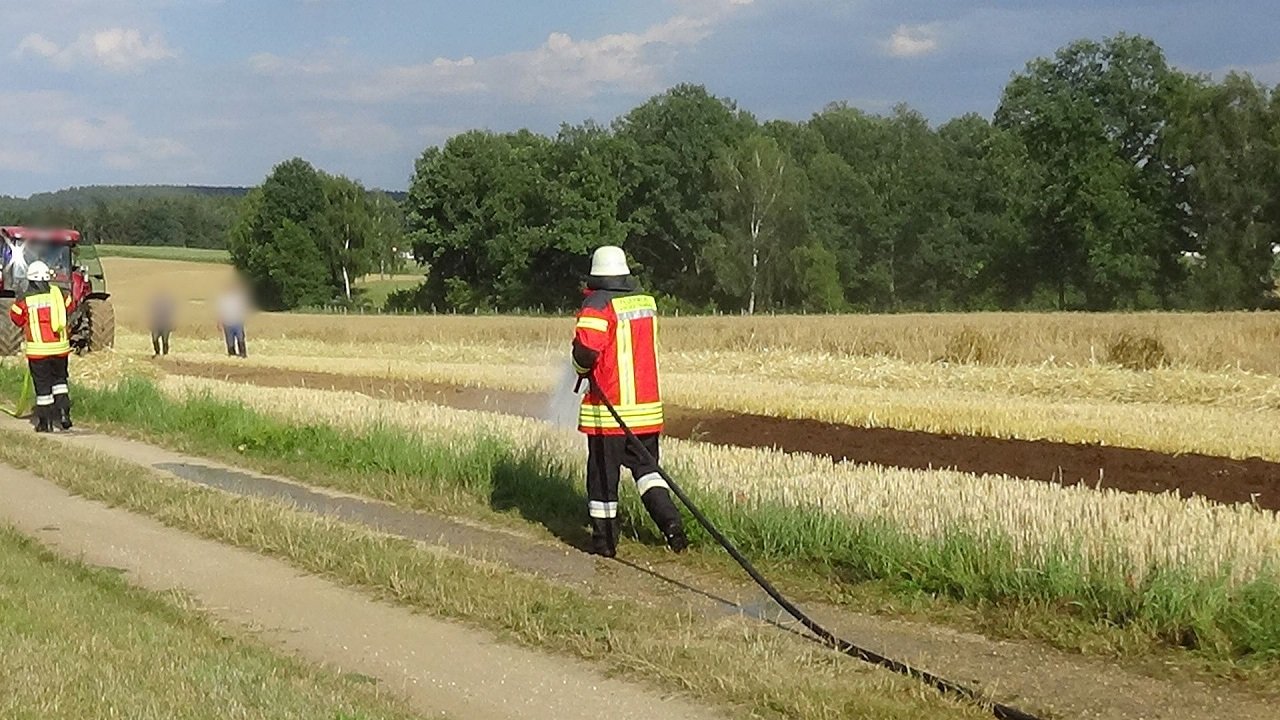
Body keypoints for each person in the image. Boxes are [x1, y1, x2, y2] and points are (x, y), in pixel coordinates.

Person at [571, 245, 687, 558]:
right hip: (646, 411)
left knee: (602, 481)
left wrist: (580, 369)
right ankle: (672, 525)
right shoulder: (645, 302)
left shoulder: (596, 304)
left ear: (596, 275)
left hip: (609, 413)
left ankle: (604, 545)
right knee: (648, 473)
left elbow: (585, 351)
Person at [8, 260, 74, 432]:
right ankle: (64, 416)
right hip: (60, 348)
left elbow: (16, 318)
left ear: (30, 279)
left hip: (39, 351)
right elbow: (70, 306)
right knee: (60, 382)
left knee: (43, 387)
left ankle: (45, 423)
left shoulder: (25, 299)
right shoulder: (59, 294)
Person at [217, 282, 248, 358]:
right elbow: (221, 311)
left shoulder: (238, 298)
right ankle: (232, 354)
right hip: (227, 322)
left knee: (240, 338)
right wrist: (220, 322)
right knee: (230, 341)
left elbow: (243, 307)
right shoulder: (223, 300)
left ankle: (243, 354)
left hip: (237, 322)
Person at [149, 290, 176, 357]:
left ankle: (165, 354)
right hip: (156, 324)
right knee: (155, 339)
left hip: (165, 325)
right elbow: (150, 313)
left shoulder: (168, 304)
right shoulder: (154, 303)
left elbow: (173, 314)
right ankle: (157, 352)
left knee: (165, 341)